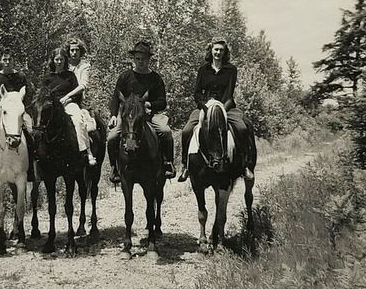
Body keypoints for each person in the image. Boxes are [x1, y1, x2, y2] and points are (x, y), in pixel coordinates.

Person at [177, 38, 255, 182]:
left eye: (221, 50)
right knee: (187, 130)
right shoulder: (203, 69)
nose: (218, 52)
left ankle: (245, 165)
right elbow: (197, 93)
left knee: (242, 128)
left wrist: (220, 109)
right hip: (205, 107)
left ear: (225, 52)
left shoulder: (231, 69)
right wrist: (205, 107)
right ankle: (185, 166)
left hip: (226, 106)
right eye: (216, 49)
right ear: (211, 51)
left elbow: (229, 92)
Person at [107, 41, 176, 184]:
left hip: (149, 115)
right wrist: (114, 115)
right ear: (134, 59)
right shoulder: (125, 77)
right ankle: (114, 168)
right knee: (112, 137)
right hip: (128, 116)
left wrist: (150, 104)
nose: (140, 62)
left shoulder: (155, 78)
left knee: (166, 131)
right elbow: (115, 97)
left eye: (143, 59)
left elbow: (162, 101)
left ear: (148, 59)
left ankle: (167, 162)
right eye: (137, 59)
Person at [0, 48, 34, 168]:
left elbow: (27, 95)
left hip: (19, 112)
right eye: (5, 59)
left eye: (10, 59)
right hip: (2, 112)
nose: (7, 62)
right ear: (1, 61)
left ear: (14, 61)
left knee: (31, 132)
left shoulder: (20, 76)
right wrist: (4, 102)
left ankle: (32, 164)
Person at [41, 47, 96, 166]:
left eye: (61, 59)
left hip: (69, 104)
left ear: (65, 60)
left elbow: (78, 95)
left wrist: (68, 99)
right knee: (39, 123)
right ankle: (38, 154)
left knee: (78, 120)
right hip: (52, 106)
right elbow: (42, 95)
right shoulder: (48, 77)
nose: (59, 62)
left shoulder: (70, 76)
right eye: (57, 59)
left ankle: (86, 151)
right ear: (53, 60)